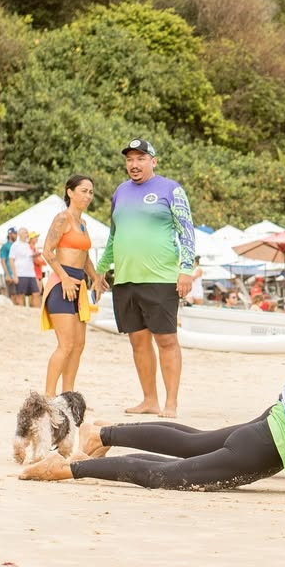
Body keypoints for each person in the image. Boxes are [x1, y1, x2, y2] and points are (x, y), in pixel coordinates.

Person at [20, 277, 285, 499]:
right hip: (263, 444)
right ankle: (70, 469)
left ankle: (101, 434)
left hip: (265, 438)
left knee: (190, 446)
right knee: (168, 475)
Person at [96, 138, 195, 418]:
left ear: (153, 161)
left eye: (141, 158)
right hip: (126, 279)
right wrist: (102, 267)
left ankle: (170, 403)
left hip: (161, 278)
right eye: (130, 159)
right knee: (137, 341)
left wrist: (186, 269)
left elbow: (186, 230)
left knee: (166, 340)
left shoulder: (171, 189)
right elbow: (114, 236)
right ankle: (149, 399)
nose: (134, 164)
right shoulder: (120, 192)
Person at [39, 175, 106, 398]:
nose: (88, 195)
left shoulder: (83, 224)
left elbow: (84, 256)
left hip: (79, 287)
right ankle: (48, 397)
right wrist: (65, 277)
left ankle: (67, 395)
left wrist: (96, 277)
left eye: (90, 192)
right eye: (83, 191)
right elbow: (47, 251)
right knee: (66, 344)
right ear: (70, 192)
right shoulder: (62, 219)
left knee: (79, 344)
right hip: (61, 285)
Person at [9, 227, 41, 307]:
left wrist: (35, 255)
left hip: (31, 273)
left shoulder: (27, 245)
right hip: (21, 273)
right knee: (20, 295)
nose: (27, 234)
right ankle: (21, 314)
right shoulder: (15, 245)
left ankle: (35, 312)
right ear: (20, 234)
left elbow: (28, 257)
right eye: (26, 233)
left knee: (36, 293)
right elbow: (11, 260)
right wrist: (15, 275)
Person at [0, 226, 16, 298]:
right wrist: (7, 275)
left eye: (16, 233)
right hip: (10, 274)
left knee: (18, 296)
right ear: (10, 234)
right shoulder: (5, 246)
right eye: (14, 233)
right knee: (13, 296)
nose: (16, 235)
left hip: (18, 274)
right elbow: (2, 261)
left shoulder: (16, 245)